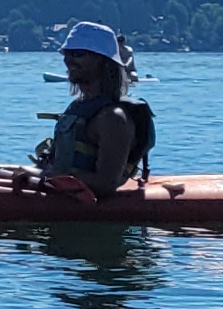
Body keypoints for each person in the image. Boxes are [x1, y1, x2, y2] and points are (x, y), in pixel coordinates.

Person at [29, 21, 155, 200]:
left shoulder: (113, 118)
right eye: (66, 53)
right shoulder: (76, 109)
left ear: (102, 61)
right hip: (58, 190)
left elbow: (106, 184)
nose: (68, 59)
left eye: (78, 53)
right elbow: (48, 170)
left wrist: (47, 177)